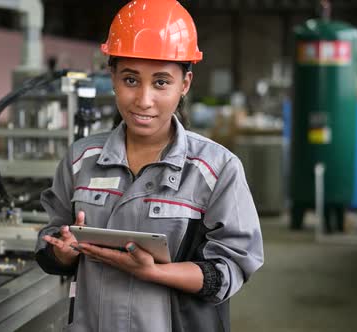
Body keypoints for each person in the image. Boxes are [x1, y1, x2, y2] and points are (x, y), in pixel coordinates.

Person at [34, 1, 264, 331]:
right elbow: (50, 241)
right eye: (130, 79)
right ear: (112, 76)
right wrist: (64, 251)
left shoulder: (216, 169)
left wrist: (152, 272)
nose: (143, 100)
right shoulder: (80, 160)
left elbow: (231, 268)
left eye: (160, 83)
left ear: (184, 84)